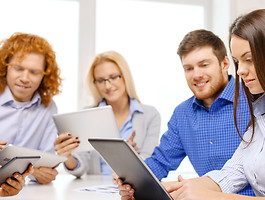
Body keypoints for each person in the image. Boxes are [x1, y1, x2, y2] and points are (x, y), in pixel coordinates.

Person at [119, 9, 265, 200]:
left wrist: (213, 197)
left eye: (250, 59)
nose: (241, 71)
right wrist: (168, 191)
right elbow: (233, 172)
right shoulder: (264, 111)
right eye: (237, 61)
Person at [116, 29, 254, 196]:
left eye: (204, 65)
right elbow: (160, 162)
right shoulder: (183, 114)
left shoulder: (254, 100)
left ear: (225, 64)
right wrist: (131, 177)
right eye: (189, 68)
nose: (196, 75)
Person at [54, 51, 161, 177]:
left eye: (114, 77)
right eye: (100, 80)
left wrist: (131, 158)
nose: (108, 85)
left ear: (125, 76)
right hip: (95, 189)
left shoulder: (150, 115)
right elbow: (80, 166)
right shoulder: (87, 115)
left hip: (131, 189)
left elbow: (150, 162)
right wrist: (67, 156)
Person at [0, 32, 62, 184]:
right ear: (5, 67)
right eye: (18, 69)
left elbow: (46, 166)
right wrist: (34, 170)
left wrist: (36, 172)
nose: (25, 78)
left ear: (44, 76)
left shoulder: (48, 107)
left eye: (34, 72)